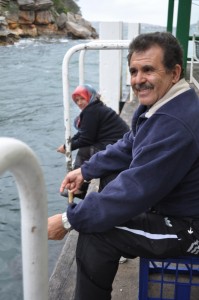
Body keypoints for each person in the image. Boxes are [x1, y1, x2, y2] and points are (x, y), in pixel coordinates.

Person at [48, 31, 199, 300]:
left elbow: (134, 190)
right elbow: (129, 144)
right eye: (134, 70)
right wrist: (85, 170)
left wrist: (67, 219)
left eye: (148, 70)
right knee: (107, 183)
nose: (138, 80)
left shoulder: (175, 124)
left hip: (188, 228)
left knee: (97, 233)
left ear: (174, 73)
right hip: (171, 204)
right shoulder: (164, 104)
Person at [57, 84, 129, 198]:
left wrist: (67, 148)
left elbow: (86, 139)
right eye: (77, 100)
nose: (79, 102)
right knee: (87, 149)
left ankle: (78, 187)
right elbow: (82, 133)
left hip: (117, 144)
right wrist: (67, 145)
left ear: (90, 97)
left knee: (85, 150)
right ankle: (81, 185)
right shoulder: (95, 108)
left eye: (82, 98)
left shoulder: (91, 111)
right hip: (120, 142)